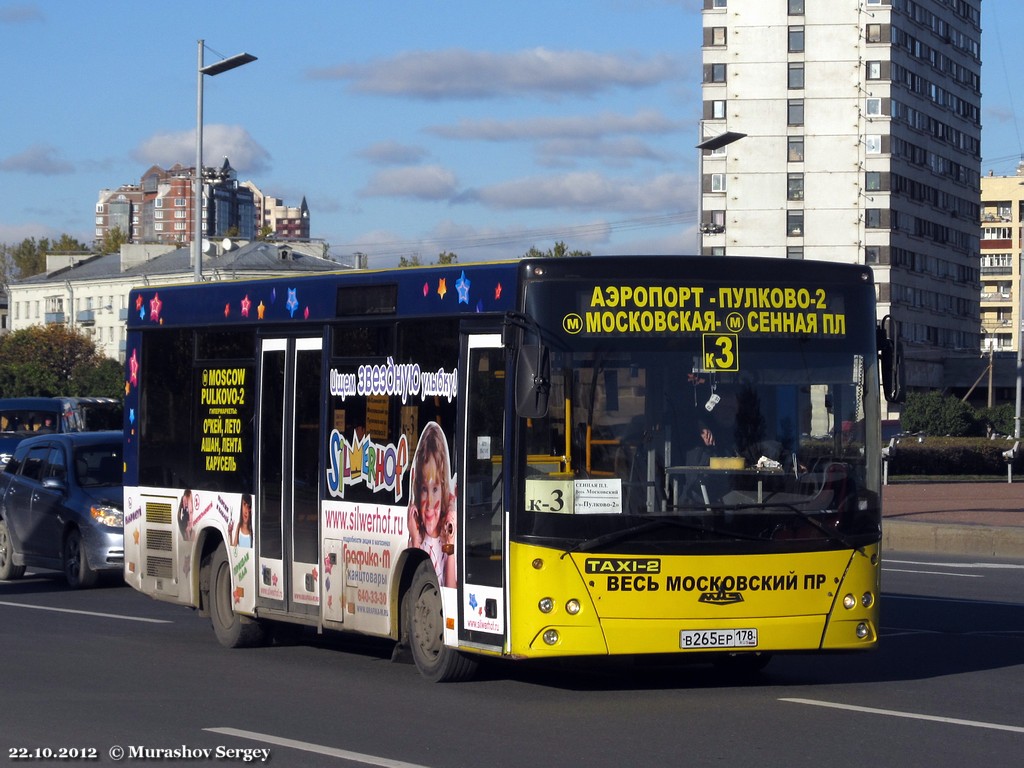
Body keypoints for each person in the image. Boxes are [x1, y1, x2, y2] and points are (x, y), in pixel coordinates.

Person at [407, 422, 457, 588]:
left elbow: (451, 591)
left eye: (435, 489)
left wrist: (449, 543)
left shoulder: (448, 536)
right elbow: (412, 585)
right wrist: (415, 540)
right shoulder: (417, 539)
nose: (429, 503)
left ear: (443, 490)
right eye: (423, 489)